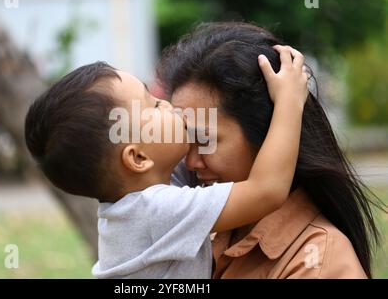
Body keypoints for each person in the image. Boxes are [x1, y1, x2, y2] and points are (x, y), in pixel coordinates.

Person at [24, 47, 308, 278]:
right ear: (137, 158)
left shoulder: (135, 197)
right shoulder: (157, 210)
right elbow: (267, 189)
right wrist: (289, 102)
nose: (168, 105)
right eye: (153, 105)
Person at [157, 21, 387, 278]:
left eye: (205, 140)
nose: (190, 162)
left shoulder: (317, 264)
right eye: (186, 138)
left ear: (269, 134)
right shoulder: (211, 232)